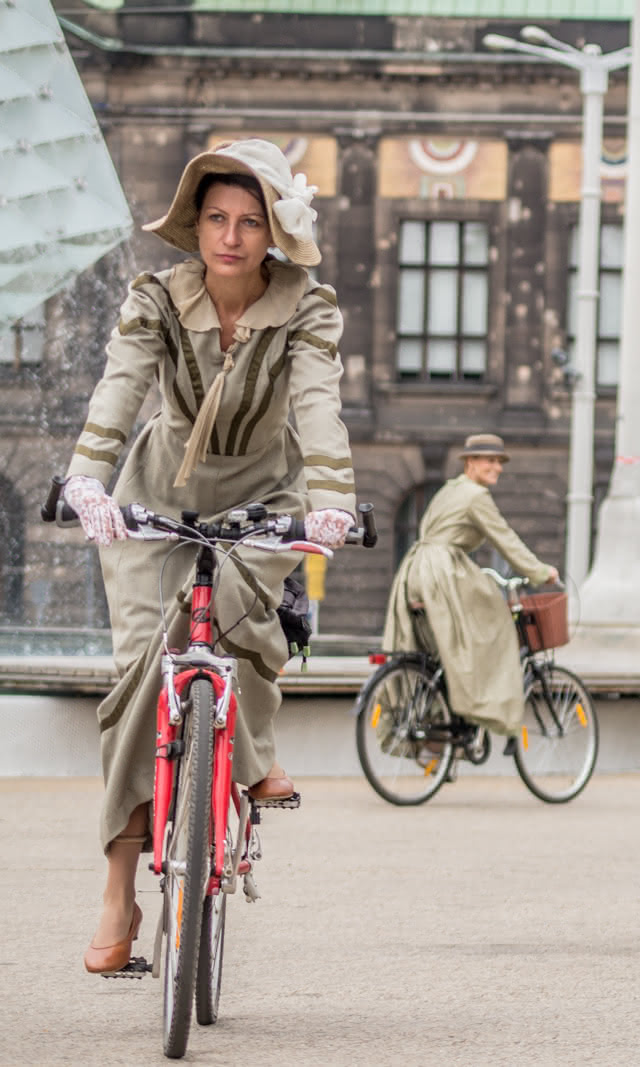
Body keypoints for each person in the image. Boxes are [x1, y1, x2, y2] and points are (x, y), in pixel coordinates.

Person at [61, 139, 359, 973]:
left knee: (243, 621)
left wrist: (332, 502)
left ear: (274, 234)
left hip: (267, 490)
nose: (230, 236)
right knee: (137, 673)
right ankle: (119, 890)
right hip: (159, 485)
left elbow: (317, 405)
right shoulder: (156, 296)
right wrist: (88, 479)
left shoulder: (307, 306)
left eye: (250, 221)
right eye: (216, 218)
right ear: (196, 224)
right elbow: (121, 388)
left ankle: (249, 758)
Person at [381, 433, 559, 737]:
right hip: (444, 571)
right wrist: (542, 572)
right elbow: (506, 540)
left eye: (499, 461)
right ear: (471, 462)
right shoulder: (476, 496)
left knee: (449, 642)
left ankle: (445, 711)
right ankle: (482, 704)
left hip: (417, 570)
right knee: (498, 620)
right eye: (490, 460)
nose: (498, 467)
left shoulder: (450, 490)